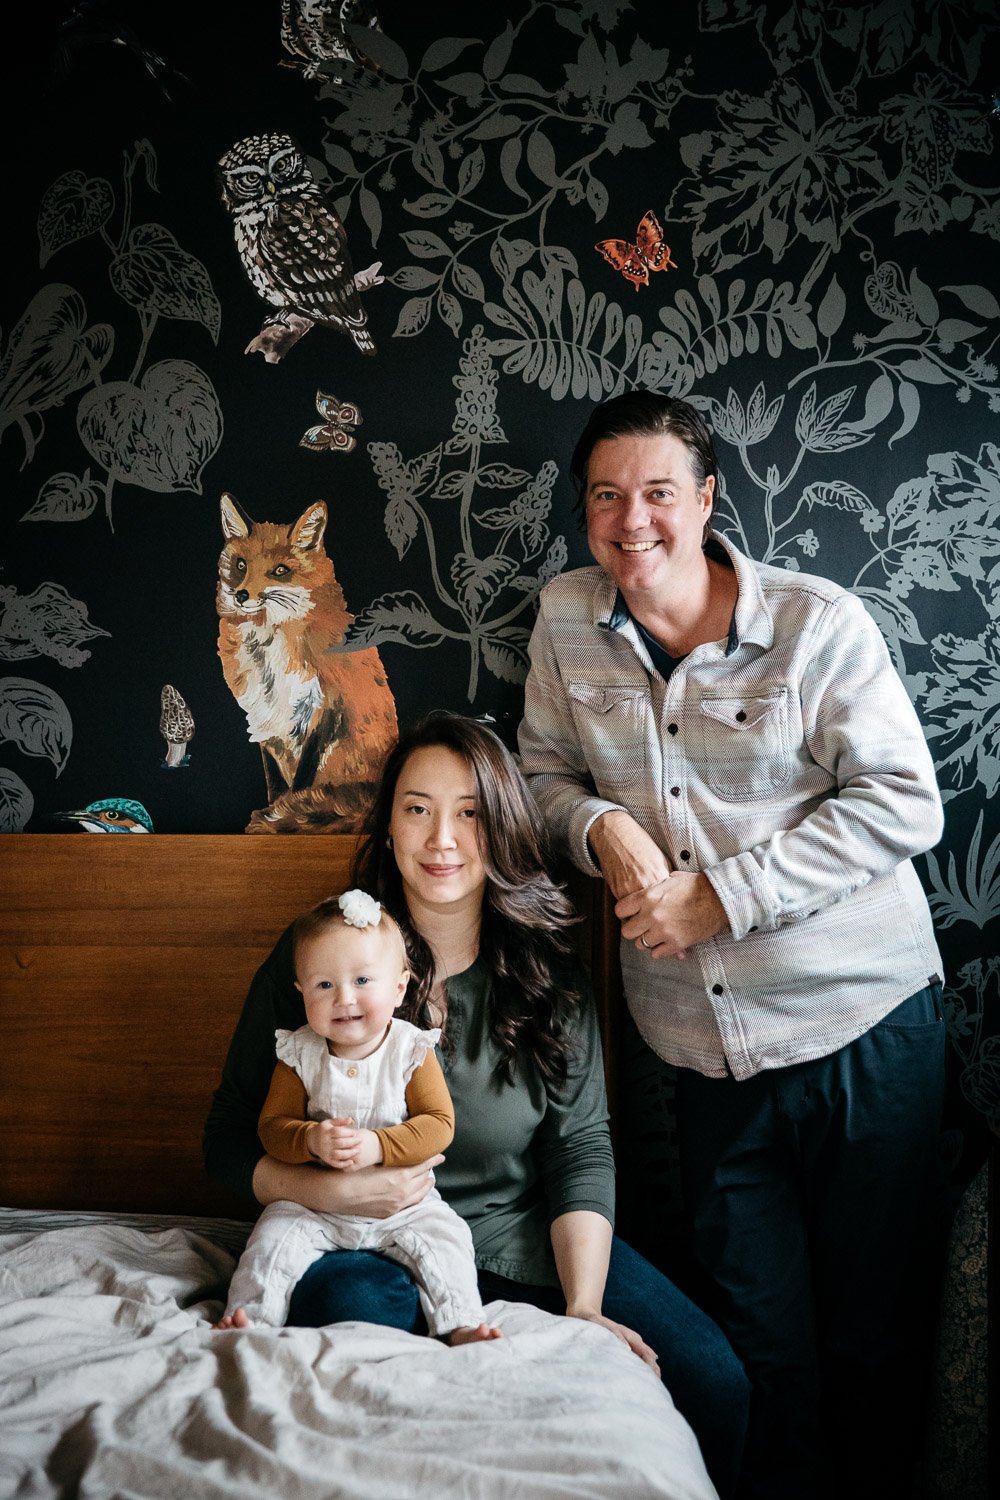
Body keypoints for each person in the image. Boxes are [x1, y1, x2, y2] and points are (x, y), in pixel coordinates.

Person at [517, 390, 949, 1500]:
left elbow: (906, 804)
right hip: (699, 1053)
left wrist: (722, 895)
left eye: (659, 492)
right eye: (606, 496)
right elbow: (540, 776)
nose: (631, 520)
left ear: (705, 503)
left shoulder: (817, 623)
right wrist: (599, 824)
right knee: (758, 1348)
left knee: (873, 1336)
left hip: (865, 1030)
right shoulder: (565, 619)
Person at [204, 712, 749, 1498]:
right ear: (387, 825)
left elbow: (581, 1149)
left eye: (471, 813)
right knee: (358, 1322)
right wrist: (324, 1190)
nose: (442, 840)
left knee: (714, 1383)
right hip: (354, 1241)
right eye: (417, 809)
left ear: (502, 828)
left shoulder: (546, 973)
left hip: (514, 1238)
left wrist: (584, 1307)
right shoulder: (325, 958)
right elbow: (225, 1138)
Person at [214, 889, 499, 1346]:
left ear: (399, 987)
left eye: (363, 981)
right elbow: (271, 1128)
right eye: (324, 985)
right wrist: (309, 1140)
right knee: (271, 1241)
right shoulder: (298, 1053)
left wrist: (379, 1146)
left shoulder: (409, 1050)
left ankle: (460, 1321)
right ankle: (248, 1318)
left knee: (446, 1238)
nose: (344, 998)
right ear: (301, 992)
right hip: (314, 1204)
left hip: (405, 1206)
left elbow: (438, 1124)